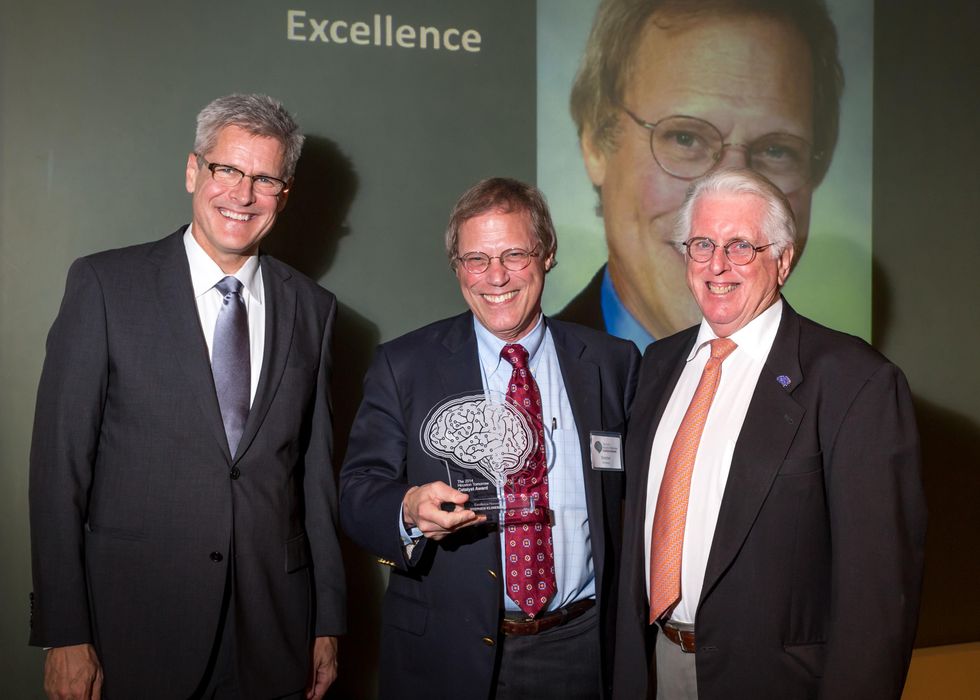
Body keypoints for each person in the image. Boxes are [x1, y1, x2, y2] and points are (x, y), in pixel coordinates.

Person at [28, 94, 346, 700]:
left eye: (264, 179)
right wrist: (63, 631)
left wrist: (326, 621)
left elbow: (314, 479)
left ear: (284, 195)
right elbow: (57, 470)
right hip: (133, 630)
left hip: (274, 633)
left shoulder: (314, 309)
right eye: (227, 170)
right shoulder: (105, 286)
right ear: (193, 171)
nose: (242, 194)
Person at [612, 168, 926, 699]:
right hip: (655, 665)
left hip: (776, 681)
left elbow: (878, 592)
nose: (717, 265)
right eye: (702, 244)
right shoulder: (658, 365)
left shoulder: (856, 381)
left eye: (740, 246)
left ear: (782, 261)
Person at [340, 178, 640, 699]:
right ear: (457, 267)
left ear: (547, 254)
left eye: (514, 255)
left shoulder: (612, 364)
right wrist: (408, 508)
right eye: (476, 259)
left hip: (581, 647)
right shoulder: (404, 366)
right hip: (445, 651)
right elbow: (357, 491)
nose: (495, 276)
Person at [558, 0, 844, 349]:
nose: (728, 208)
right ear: (596, 143)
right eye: (685, 138)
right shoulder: (522, 379)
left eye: (776, 150)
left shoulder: (857, 380)